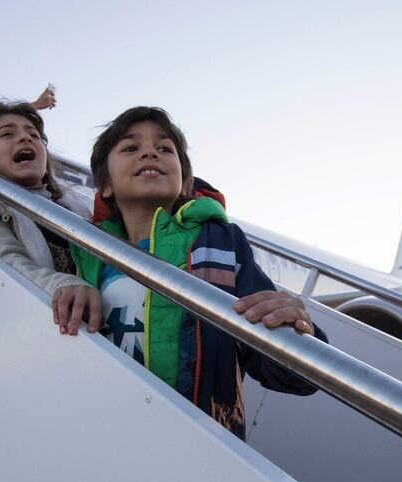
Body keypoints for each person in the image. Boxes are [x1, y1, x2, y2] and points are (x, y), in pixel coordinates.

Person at [68, 106, 322, 439]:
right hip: (104, 432)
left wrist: (298, 334)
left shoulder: (222, 243)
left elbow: (290, 376)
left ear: (185, 181)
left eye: (164, 149)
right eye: (131, 148)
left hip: (201, 442)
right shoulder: (87, 253)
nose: (149, 152)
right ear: (105, 185)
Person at [0, 101, 97, 314]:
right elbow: (7, 263)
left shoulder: (77, 209)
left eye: (34, 135)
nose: (25, 138)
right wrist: (60, 285)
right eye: (7, 134)